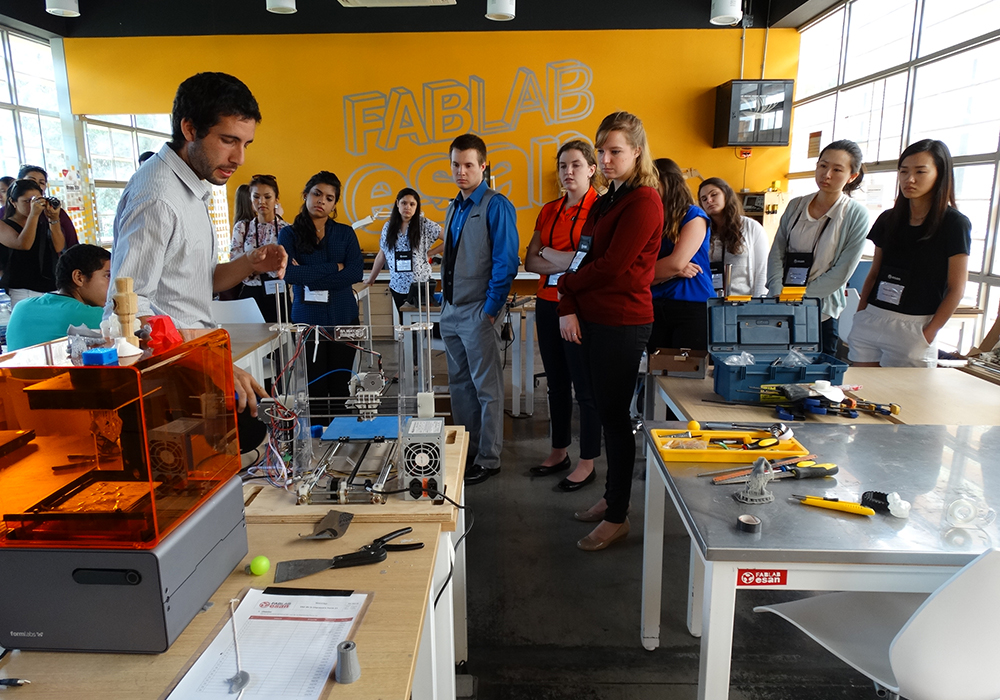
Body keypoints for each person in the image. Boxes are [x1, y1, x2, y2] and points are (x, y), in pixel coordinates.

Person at [107, 71, 286, 418]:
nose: (239, 158)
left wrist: (250, 262)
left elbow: (199, 282)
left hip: (194, 361)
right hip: (172, 373)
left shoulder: (190, 187)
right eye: (228, 140)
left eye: (245, 144)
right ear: (189, 129)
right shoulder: (158, 197)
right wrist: (208, 362)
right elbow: (128, 308)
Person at [558, 111, 663, 551]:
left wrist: (565, 286)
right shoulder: (607, 199)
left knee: (615, 418)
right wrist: (567, 300)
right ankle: (611, 496)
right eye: (601, 151)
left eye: (615, 151)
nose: (605, 159)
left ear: (637, 151)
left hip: (622, 321)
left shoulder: (644, 201)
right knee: (602, 411)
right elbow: (583, 256)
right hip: (592, 318)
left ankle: (618, 515)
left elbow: (613, 267)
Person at [440, 133, 519, 486]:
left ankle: (488, 457)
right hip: (451, 310)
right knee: (459, 386)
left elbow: (506, 262)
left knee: (486, 388)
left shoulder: (495, 205)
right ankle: (467, 451)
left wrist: (490, 309)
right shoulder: (453, 207)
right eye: (456, 165)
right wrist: (444, 301)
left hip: (478, 311)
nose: (461, 171)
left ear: (483, 166)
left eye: (469, 165)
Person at [848, 139, 970, 367]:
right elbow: (875, 273)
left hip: (915, 325)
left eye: (920, 172)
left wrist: (929, 333)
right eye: (903, 171)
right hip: (872, 317)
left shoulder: (954, 224)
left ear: (940, 174)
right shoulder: (888, 219)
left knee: (905, 390)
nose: (909, 179)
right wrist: (860, 313)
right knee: (861, 387)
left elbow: (957, 288)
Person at [524, 139, 603, 491]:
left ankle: (588, 461)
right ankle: (559, 451)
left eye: (575, 165)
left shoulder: (600, 209)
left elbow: (592, 263)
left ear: (591, 169)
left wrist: (550, 253)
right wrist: (566, 259)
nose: (568, 172)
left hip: (582, 306)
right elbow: (530, 260)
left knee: (585, 386)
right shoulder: (549, 210)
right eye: (562, 166)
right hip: (547, 302)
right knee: (556, 383)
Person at [766, 140, 869, 355]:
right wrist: (777, 291)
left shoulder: (855, 214)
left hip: (821, 311)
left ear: (852, 176)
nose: (826, 174)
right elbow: (777, 251)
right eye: (823, 166)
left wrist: (799, 298)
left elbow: (842, 271)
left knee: (816, 371)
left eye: (837, 170)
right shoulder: (796, 205)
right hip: (780, 304)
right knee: (774, 366)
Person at [277, 171, 363, 413]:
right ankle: (317, 434)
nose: (321, 201)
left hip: (344, 318)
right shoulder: (289, 234)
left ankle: (339, 433)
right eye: (317, 194)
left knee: (341, 385)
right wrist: (335, 267)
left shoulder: (345, 233)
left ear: (334, 204)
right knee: (314, 388)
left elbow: (355, 272)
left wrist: (308, 275)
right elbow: (289, 274)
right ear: (306, 195)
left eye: (329, 198)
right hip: (307, 321)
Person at [647, 157, 714, 352]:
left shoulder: (694, 216)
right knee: (657, 367)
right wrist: (672, 271)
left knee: (687, 369)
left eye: (652, 182)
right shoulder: (651, 218)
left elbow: (675, 263)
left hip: (691, 304)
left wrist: (670, 269)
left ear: (668, 181)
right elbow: (635, 272)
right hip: (655, 303)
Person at [6, 244, 110, 351]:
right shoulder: (99, 316)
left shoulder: (21, 307)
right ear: (79, 277)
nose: (113, 284)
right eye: (108, 276)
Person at [364, 187, 443, 311]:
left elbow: (451, 239)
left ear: (417, 206)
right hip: (397, 285)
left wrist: (431, 253)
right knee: (403, 320)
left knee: (419, 321)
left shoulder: (425, 225)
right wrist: (371, 278)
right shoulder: (388, 227)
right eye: (404, 203)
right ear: (397, 203)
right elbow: (382, 254)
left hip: (420, 285)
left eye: (412, 204)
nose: (408, 207)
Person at [698, 177, 768, 297]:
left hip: (743, 301)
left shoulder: (751, 227)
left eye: (714, 194)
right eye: (704, 199)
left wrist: (758, 303)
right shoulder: (700, 230)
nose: (709, 200)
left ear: (726, 194)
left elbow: (762, 270)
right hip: (709, 300)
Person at [0, 178, 65, 307]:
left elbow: (58, 247)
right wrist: (34, 215)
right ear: (13, 202)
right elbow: (24, 244)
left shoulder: (43, 222)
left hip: (51, 286)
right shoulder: (4, 225)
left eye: (36, 200)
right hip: (23, 290)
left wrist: (54, 219)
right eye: (27, 201)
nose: (32, 205)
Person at [231, 174, 287, 322]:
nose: (261, 201)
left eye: (267, 197)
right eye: (256, 197)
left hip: (278, 291)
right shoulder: (242, 227)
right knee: (250, 333)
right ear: (250, 199)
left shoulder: (286, 229)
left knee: (280, 334)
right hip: (250, 293)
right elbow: (234, 262)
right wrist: (262, 265)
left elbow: (290, 263)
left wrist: (251, 265)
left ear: (276, 199)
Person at [18, 165, 79, 249]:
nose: (37, 185)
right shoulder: (5, 213)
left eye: (42, 183)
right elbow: (23, 245)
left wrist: (54, 219)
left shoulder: (54, 210)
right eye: (31, 181)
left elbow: (68, 245)